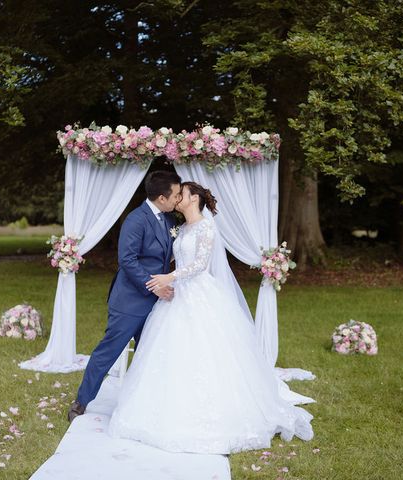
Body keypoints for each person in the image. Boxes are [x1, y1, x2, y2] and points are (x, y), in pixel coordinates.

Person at [107, 181, 314, 454]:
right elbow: (174, 258)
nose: (178, 198)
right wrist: (159, 279)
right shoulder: (180, 228)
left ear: (194, 199)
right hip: (177, 295)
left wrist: (169, 277)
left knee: (207, 350)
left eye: (182, 193)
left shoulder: (206, 227)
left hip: (199, 293)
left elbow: (199, 265)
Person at [67, 170, 182, 422]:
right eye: (175, 195)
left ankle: (143, 404)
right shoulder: (136, 219)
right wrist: (155, 286)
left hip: (159, 303)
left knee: (148, 354)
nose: (178, 199)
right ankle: (81, 401)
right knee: (108, 351)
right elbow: (127, 261)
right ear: (161, 198)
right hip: (130, 300)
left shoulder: (170, 220)